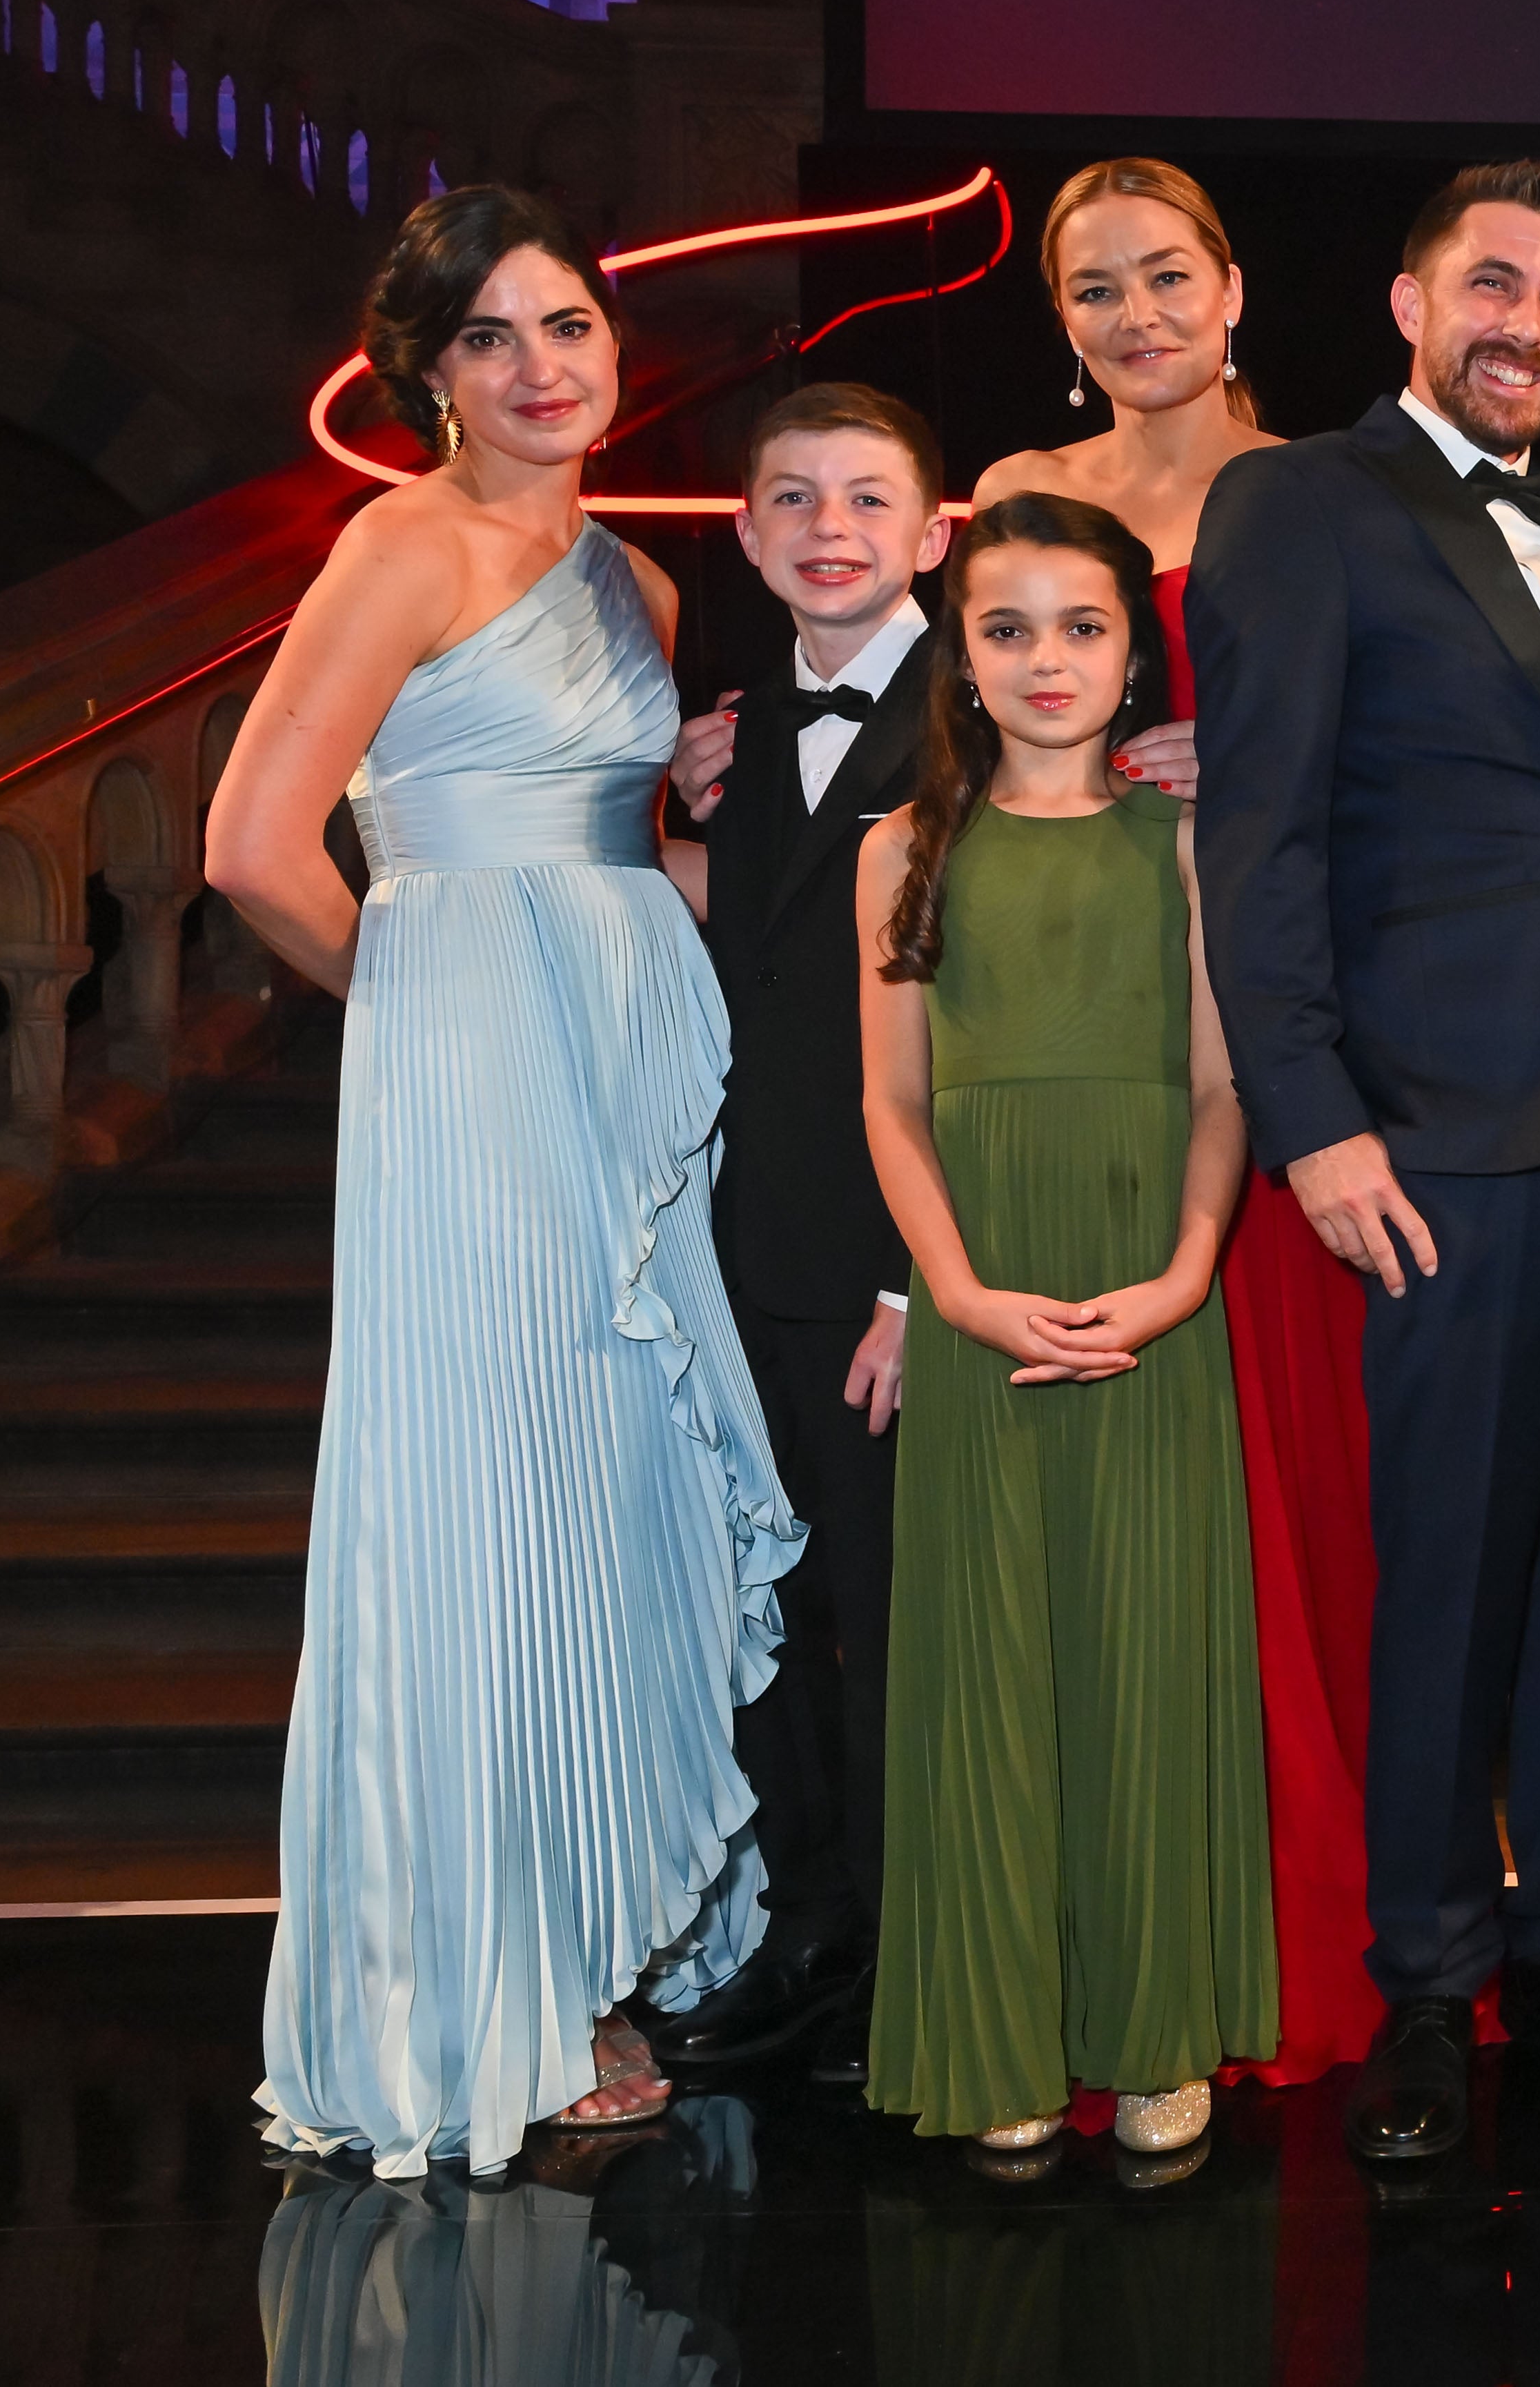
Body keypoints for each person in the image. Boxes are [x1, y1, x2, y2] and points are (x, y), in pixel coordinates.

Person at [205, 185, 802, 2174]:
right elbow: (252, 844)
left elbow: (620, 856)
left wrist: (845, 842)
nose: (547, 368)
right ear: (431, 375)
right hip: (475, 1082)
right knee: (494, 1504)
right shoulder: (403, 542)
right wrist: (436, 1007)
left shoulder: (629, 584)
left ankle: (601, 1929)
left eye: (572, 327)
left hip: (631, 1070)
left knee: (623, 1489)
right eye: (497, 339)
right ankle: (497, 1986)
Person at [1189, 159, 1540, 2166]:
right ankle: (1430, 1970)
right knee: (1449, 1568)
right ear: (1414, 300)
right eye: (1493, 283)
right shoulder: (1299, 504)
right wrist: (1315, 1115)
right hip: (1435, 1129)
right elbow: (1254, 834)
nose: (1529, 321)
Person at [977, 155, 1385, 2093]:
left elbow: (1415, 744)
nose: (1134, 317)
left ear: (1234, 288)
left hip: (1270, 1035)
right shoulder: (1009, 515)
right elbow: (935, 758)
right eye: (1091, 290)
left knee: (1282, 1514)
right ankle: (1103, 1953)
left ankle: (1277, 1948)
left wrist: (1272, 763)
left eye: (1164, 278)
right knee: (1091, 1529)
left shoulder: (1327, 486)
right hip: (1064, 1042)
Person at [855, 491, 1276, 2157]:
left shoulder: (1184, 840)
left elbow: (1225, 1083)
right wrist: (951, 1287)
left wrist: (1184, 1275)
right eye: (1008, 627)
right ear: (960, 651)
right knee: (984, 1670)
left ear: (1132, 650)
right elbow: (890, 1103)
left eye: (1082, 626)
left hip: (1146, 1282)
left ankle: (1156, 2027)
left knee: (1145, 1652)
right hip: (980, 1287)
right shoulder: (906, 847)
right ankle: (997, 2040)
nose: (1046, 660)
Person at [645, 383, 949, 2088]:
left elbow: (994, 1031)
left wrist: (923, 1273)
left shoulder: (994, 713)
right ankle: (813, 1931)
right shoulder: (736, 734)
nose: (830, 527)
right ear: (750, 535)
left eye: (866, 499)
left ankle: (917, 1958)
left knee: (901, 1624)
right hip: (742, 1253)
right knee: (773, 1616)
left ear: (930, 532)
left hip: (892, 1267)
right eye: (793, 500)